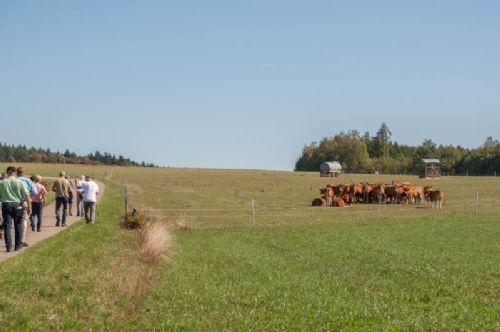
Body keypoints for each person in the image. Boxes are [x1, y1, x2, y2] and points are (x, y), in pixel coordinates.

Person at [0, 166, 31, 252]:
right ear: (14, 173)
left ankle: (8, 246)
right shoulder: (19, 181)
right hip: (17, 205)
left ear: (7, 173)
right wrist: (29, 206)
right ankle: (17, 245)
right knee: (18, 225)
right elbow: (27, 194)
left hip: (6, 205)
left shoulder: (2, 182)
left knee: (7, 226)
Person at [17, 167, 37, 247]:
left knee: (16, 221)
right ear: (24, 173)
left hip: (15, 202)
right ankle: (22, 239)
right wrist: (28, 194)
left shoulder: (15, 180)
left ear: (17, 173)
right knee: (24, 221)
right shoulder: (28, 181)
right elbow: (34, 191)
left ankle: (16, 239)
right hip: (25, 202)